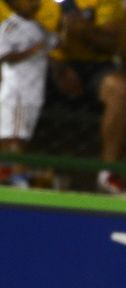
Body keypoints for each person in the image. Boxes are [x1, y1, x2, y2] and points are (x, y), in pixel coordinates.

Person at [49, 0, 126, 194]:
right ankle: (17, 167)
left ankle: (108, 173)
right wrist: (58, 67)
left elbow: (110, 44)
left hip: (94, 65)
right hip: (47, 63)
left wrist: (84, 31)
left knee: (120, 89)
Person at [0, 0, 58, 187]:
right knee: (14, 135)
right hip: (16, 90)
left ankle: (7, 171)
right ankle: (19, 178)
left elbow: (54, 44)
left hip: (34, 91)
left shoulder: (39, 26)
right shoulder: (9, 26)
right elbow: (3, 54)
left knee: (19, 135)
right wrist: (30, 52)